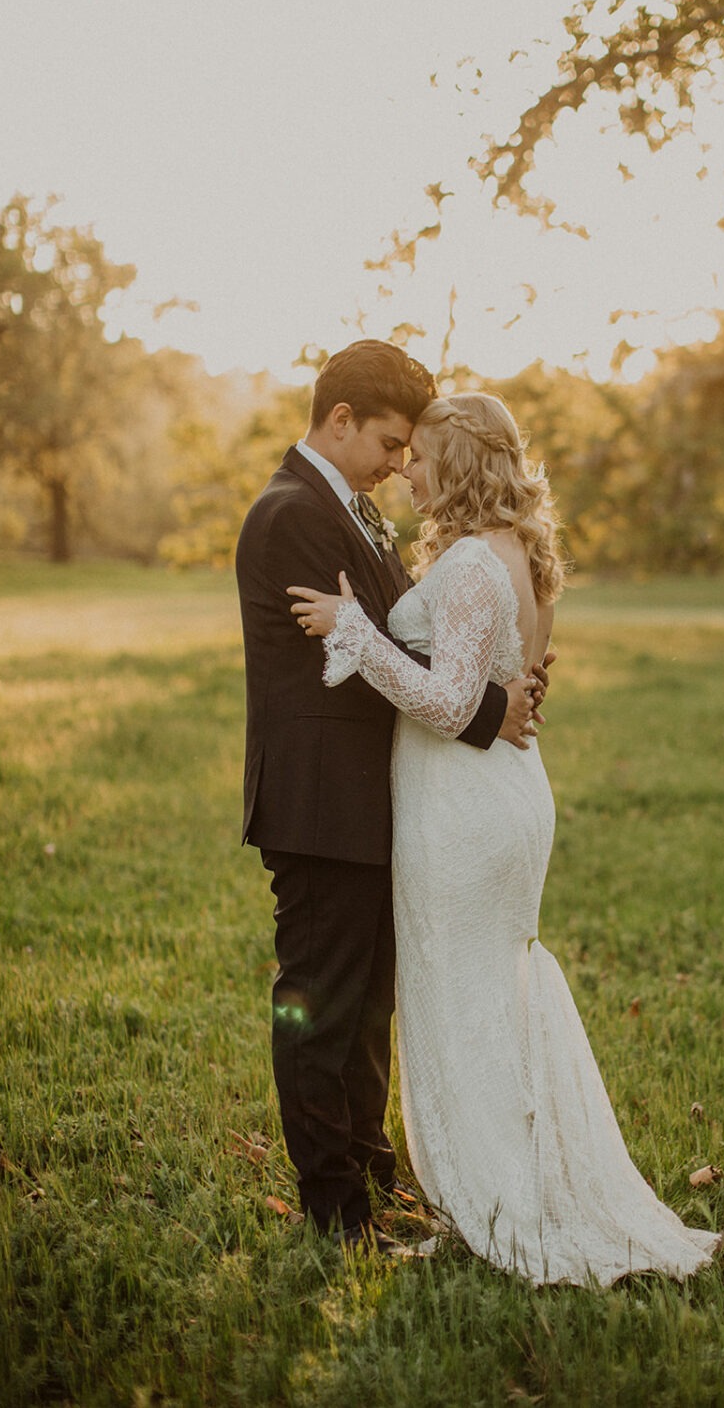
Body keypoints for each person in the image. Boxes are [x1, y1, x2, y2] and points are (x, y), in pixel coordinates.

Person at [288, 391, 722, 1286]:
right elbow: (510, 679)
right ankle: (502, 1186)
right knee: (488, 990)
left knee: (462, 995)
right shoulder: (522, 555)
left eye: (423, 456)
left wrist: (357, 635)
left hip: (465, 807)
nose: (408, 469)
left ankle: (497, 1206)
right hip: (503, 795)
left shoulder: (477, 566)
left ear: (463, 463)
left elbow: (452, 705)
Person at [235, 342, 542, 1254]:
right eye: (391, 442)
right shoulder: (290, 515)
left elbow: (415, 635)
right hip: (320, 805)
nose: (402, 464)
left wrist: (497, 673)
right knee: (322, 1006)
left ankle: (370, 1166)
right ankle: (335, 1212)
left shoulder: (354, 513)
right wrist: (489, 705)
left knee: (372, 1005)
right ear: (340, 422)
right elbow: (351, 660)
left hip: (376, 803)